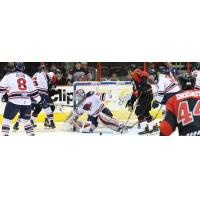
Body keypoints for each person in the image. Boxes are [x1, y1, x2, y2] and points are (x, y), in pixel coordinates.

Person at [0, 62, 47, 136]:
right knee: (26, 122)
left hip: (13, 102)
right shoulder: (27, 77)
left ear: (15, 67)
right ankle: (31, 135)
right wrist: (41, 101)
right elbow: (34, 93)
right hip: (27, 103)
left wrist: (3, 97)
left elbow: (1, 90)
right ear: (23, 68)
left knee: (7, 120)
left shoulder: (8, 76)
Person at [125, 66, 157, 134]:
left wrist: (144, 85)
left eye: (128, 74)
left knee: (138, 112)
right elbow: (135, 92)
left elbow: (144, 74)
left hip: (146, 95)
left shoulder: (135, 72)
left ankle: (144, 128)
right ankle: (154, 126)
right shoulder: (133, 81)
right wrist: (131, 101)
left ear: (130, 72)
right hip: (147, 95)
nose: (127, 76)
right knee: (145, 112)